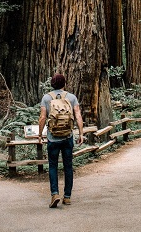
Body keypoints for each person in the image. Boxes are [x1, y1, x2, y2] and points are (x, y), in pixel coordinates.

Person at [38, 73, 84, 208]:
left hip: (53, 138)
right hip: (68, 137)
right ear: (64, 84)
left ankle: (54, 193)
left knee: (53, 166)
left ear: (52, 84)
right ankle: (67, 197)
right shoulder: (71, 97)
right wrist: (81, 133)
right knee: (68, 166)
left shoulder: (46, 98)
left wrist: (40, 135)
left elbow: (42, 118)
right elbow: (78, 115)